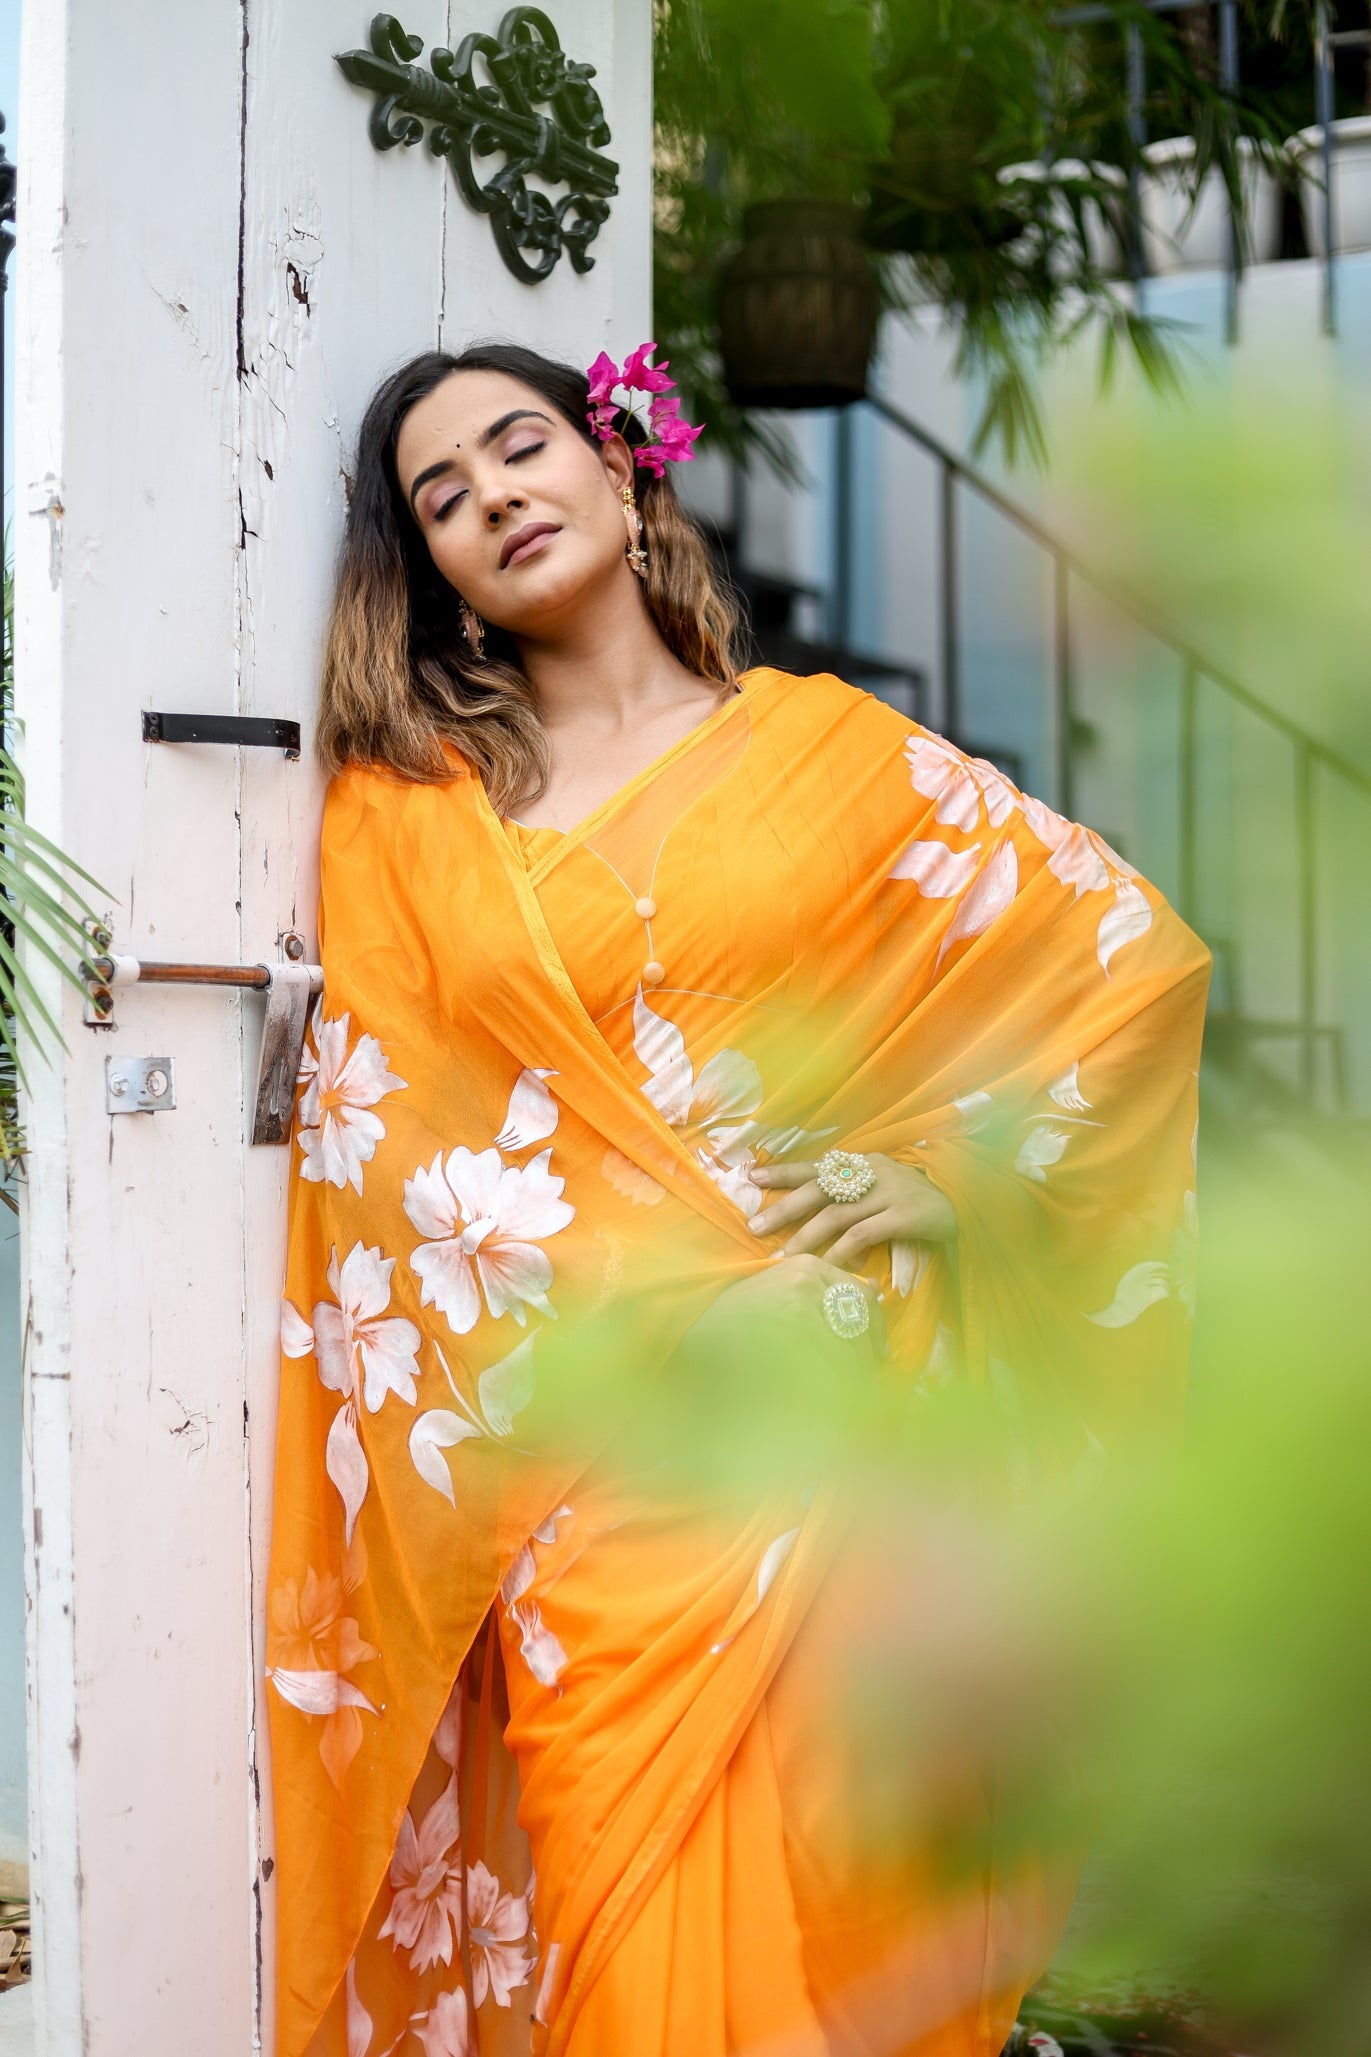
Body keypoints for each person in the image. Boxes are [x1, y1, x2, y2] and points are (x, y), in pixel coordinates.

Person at [266, 341, 1209, 2057]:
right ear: (439, 574)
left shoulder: (836, 753)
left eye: (521, 445)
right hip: (598, 1464)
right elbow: (387, 1154)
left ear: (621, 466)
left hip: (830, 1420)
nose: (494, 496)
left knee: (842, 1911)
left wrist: (944, 1179)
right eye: (444, 497)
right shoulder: (412, 821)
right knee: (624, 1943)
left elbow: (1122, 969)